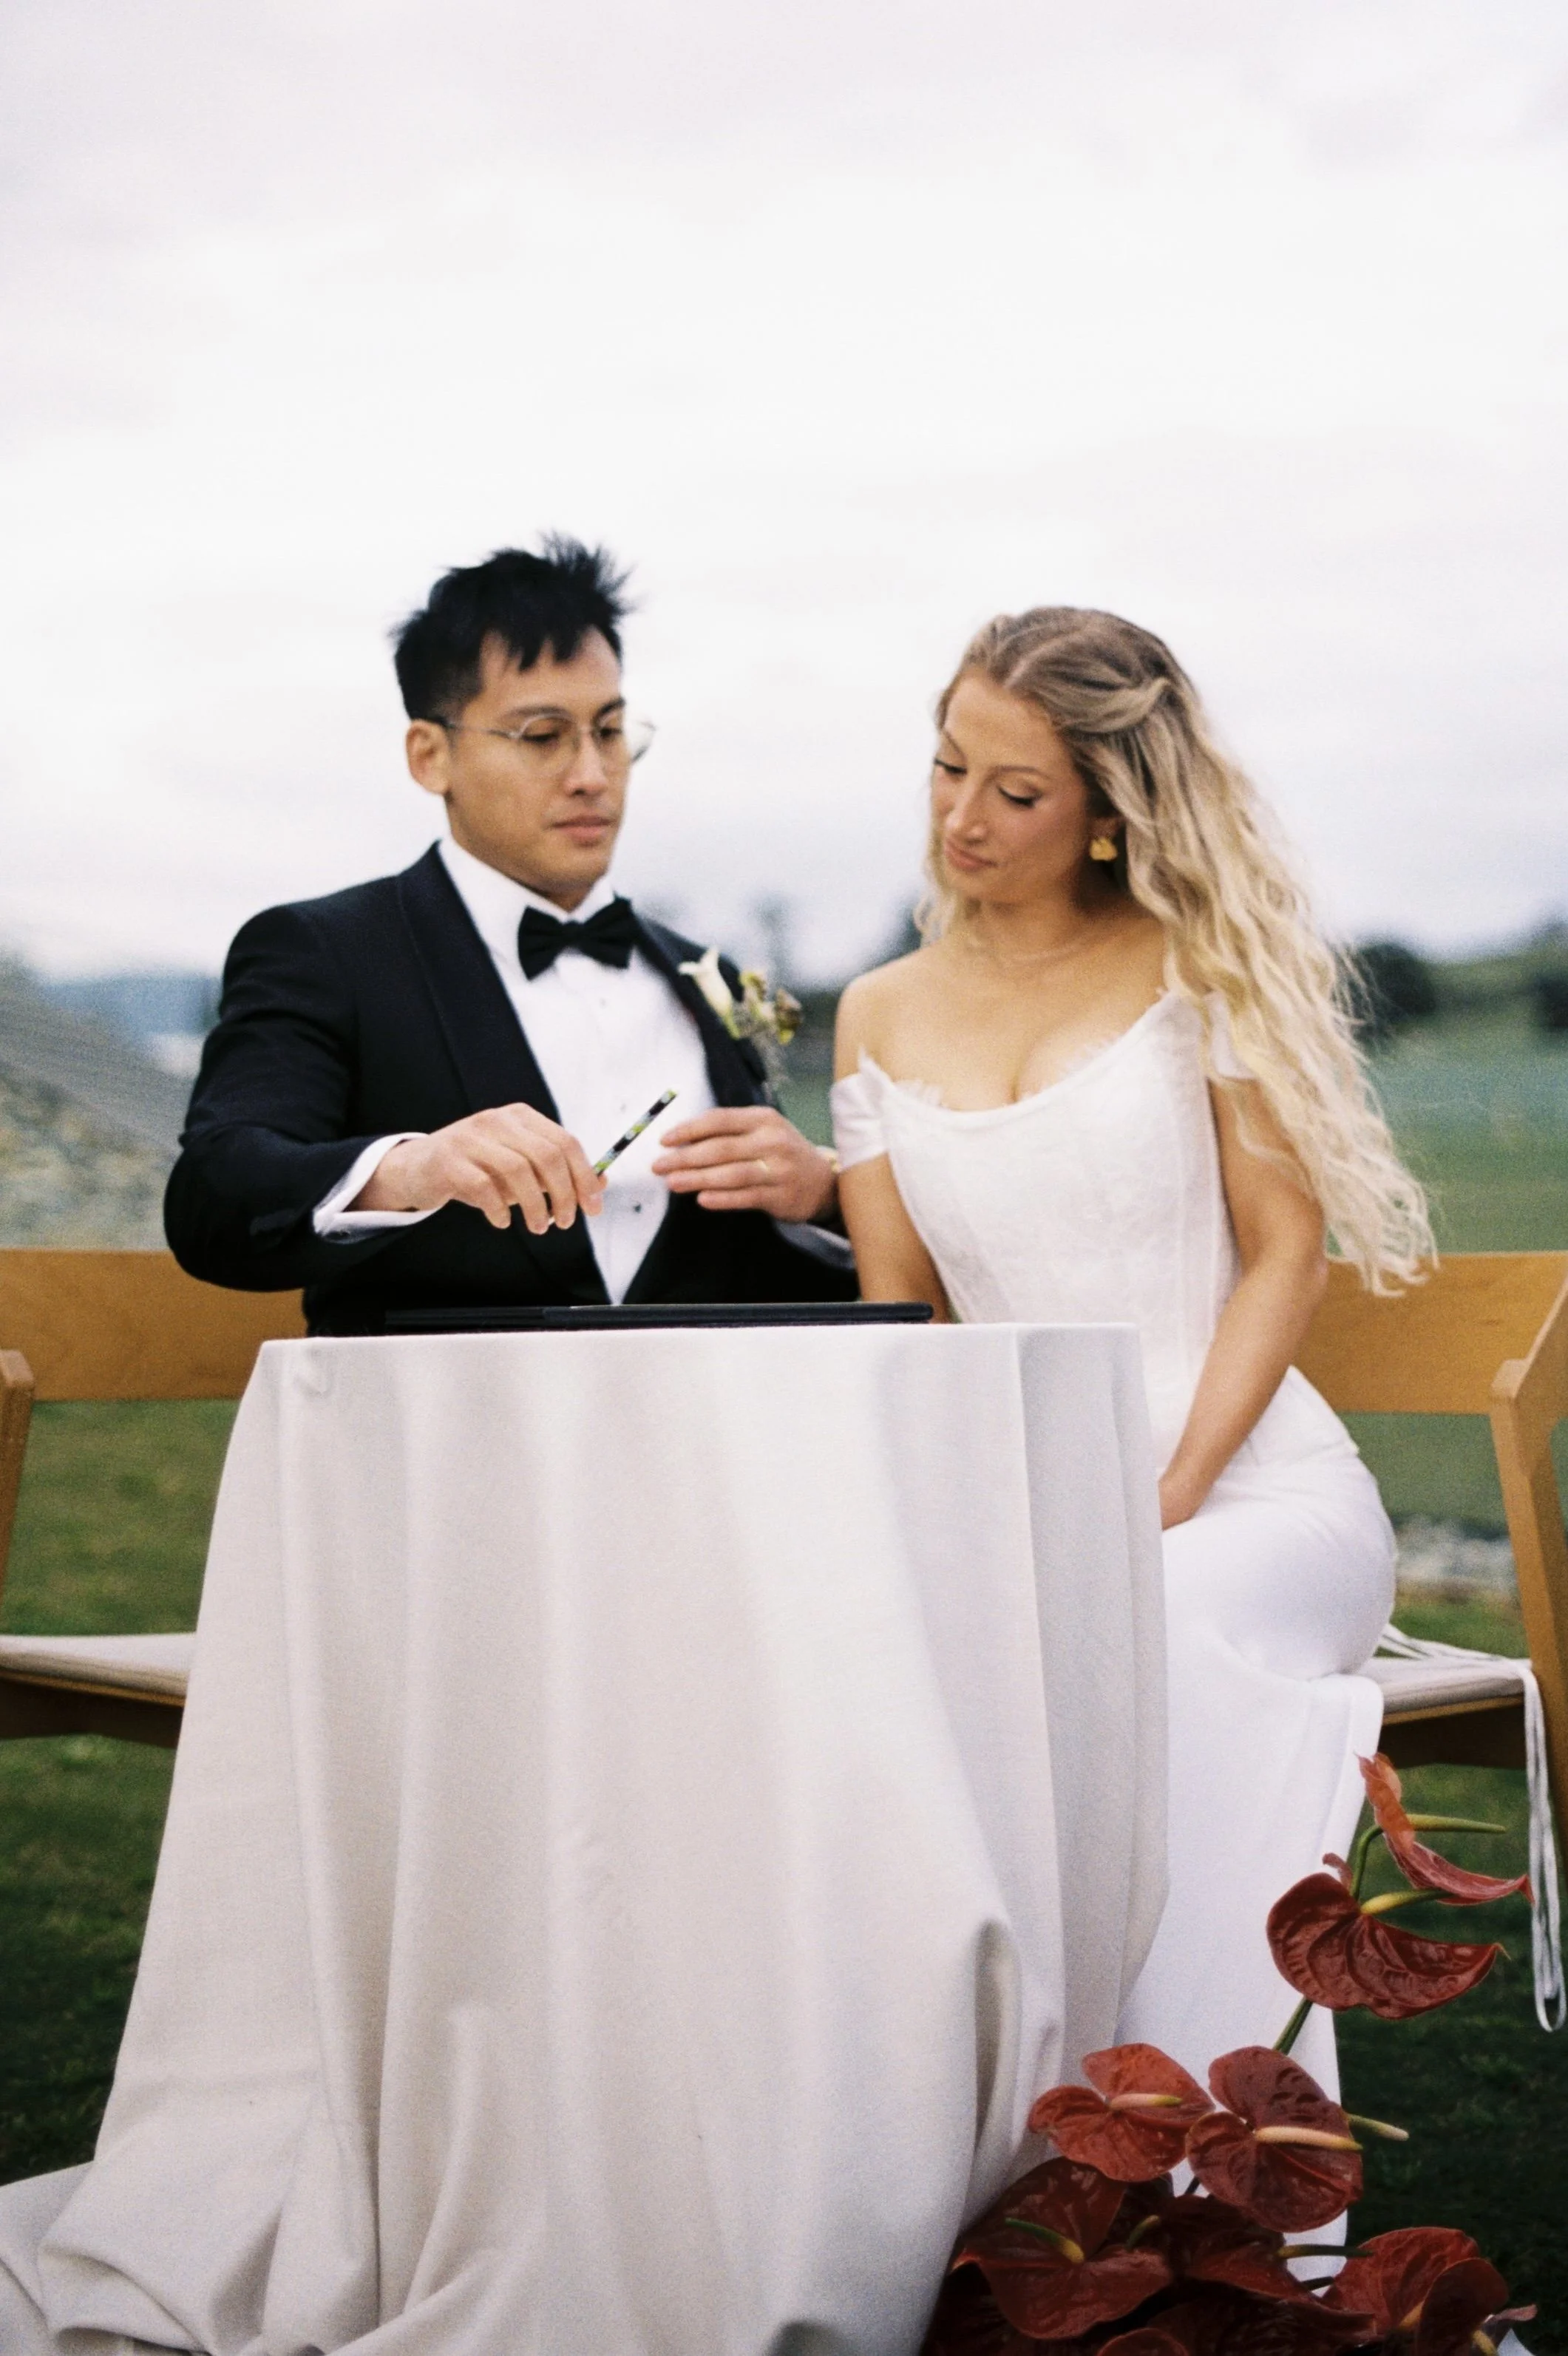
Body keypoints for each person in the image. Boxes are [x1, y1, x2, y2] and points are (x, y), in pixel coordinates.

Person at [831, 605, 1430, 2097]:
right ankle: (1003, 2165)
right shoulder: (876, 1013)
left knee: (1136, 1620)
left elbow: (1281, 1252)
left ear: (1108, 818)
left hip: (1249, 1497)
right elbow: (897, 1313)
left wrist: (1158, 1492)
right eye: (945, 766)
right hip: (1027, 1502)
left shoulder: (1195, 968)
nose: (961, 817)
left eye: (1014, 791)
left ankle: (1223, 2179)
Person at [165, 539, 852, 1331]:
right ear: (431, 755)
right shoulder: (325, 953)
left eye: (611, 730)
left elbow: (763, 1275)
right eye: (542, 735)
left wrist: (822, 1194)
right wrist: (408, 1168)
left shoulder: (715, 980)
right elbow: (213, 1197)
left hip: (699, 1440)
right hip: (437, 1443)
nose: (592, 772)